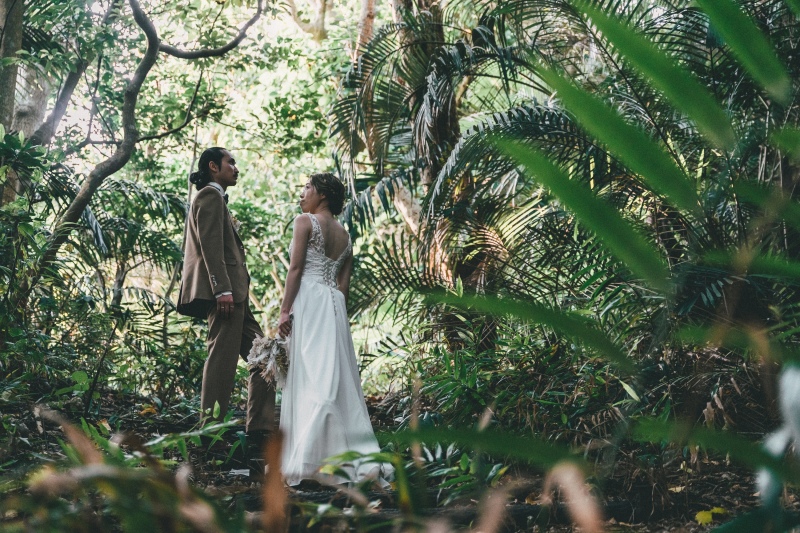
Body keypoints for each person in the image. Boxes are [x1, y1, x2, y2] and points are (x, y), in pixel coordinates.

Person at [277, 172, 392, 486]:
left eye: (307, 187)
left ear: (322, 194)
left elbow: (296, 269)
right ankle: (346, 458)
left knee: (309, 375)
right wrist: (334, 313)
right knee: (336, 379)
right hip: (333, 306)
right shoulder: (346, 236)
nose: (302, 194)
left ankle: (311, 457)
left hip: (308, 302)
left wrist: (285, 310)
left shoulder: (304, 222)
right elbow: (343, 286)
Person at [177, 147, 275, 454]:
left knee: (265, 357)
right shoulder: (209, 196)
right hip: (225, 295)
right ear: (213, 166)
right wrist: (222, 290)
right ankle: (210, 432)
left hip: (237, 295)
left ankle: (259, 429)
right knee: (221, 359)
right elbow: (210, 248)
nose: (236, 168)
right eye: (230, 162)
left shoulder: (217, 198)